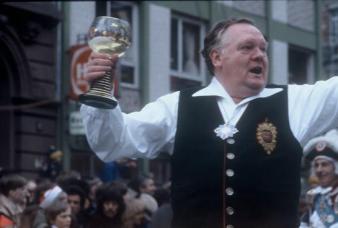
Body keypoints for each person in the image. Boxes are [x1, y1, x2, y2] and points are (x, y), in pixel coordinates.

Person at [80, 17, 338, 227]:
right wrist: (100, 91)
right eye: (247, 47)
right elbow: (114, 143)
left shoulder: (293, 101)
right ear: (216, 57)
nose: (259, 55)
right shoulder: (177, 106)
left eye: (263, 48)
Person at [300, 129, 338, 228]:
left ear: (336, 168)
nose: (319, 170)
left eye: (324, 164)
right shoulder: (315, 195)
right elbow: (305, 223)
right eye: (316, 165)